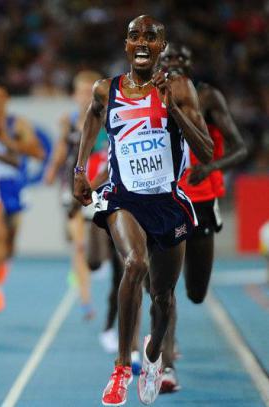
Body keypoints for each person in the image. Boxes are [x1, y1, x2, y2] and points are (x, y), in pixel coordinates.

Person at [73, 15, 213, 406]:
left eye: (150, 37)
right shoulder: (107, 89)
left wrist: (174, 110)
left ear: (161, 46)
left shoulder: (179, 88)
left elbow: (206, 152)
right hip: (124, 198)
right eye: (134, 35)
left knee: (164, 297)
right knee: (134, 264)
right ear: (125, 44)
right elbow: (91, 118)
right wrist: (81, 170)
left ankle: (152, 357)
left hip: (167, 201)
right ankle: (121, 368)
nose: (141, 42)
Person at [158, 42, 247, 392]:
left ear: (191, 64)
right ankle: (165, 364)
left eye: (181, 59)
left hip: (203, 200)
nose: (175, 64)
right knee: (163, 289)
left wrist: (209, 166)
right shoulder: (149, 96)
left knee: (195, 291)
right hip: (166, 201)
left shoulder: (208, 98)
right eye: (168, 60)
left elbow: (240, 147)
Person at [45, 70, 108, 322]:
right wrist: (51, 170)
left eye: (89, 92)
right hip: (71, 187)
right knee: (79, 246)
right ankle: (85, 300)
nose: (84, 97)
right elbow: (62, 148)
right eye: (80, 92)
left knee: (96, 249)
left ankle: (94, 261)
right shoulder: (68, 121)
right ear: (73, 95)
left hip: (99, 187)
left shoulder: (105, 120)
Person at [0, 81, 46, 313]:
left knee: (11, 237)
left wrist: (8, 141)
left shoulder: (17, 124)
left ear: (6, 99)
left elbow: (39, 152)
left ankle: (5, 262)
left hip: (14, 183)